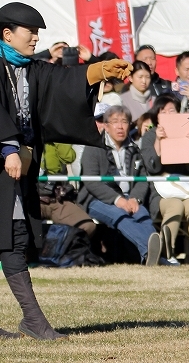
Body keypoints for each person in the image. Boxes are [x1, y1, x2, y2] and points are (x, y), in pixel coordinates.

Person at [0, 2, 132, 340]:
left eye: (38, 33)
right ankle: (33, 321)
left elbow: (60, 80)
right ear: (7, 34)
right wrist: (8, 148)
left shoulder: (29, 67)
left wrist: (99, 71)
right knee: (10, 240)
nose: (36, 38)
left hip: (19, 165)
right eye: (31, 32)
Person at [78, 105, 160, 264]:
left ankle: (154, 255)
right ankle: (150, 252)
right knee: (120, 216)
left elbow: (142, 178)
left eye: (124, 122)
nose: (120, 126)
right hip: (96, 199)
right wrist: (118, 200)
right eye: (115, 122)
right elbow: (91, 182)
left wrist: (135, 199)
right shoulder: (93, 147)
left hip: (129, 197)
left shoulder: (134, 149)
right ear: (106, 127)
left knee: (142, 215)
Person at [140, 94, 189, 266]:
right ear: (157, 114)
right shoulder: (149, 136)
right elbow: (152, 167)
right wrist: (158, 140)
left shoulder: (187, 132)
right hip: (161, 191)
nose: (168, 115)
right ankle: (166, 253)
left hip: (186, 187)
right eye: (163, 111)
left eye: (172, 110)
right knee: (175, 205)